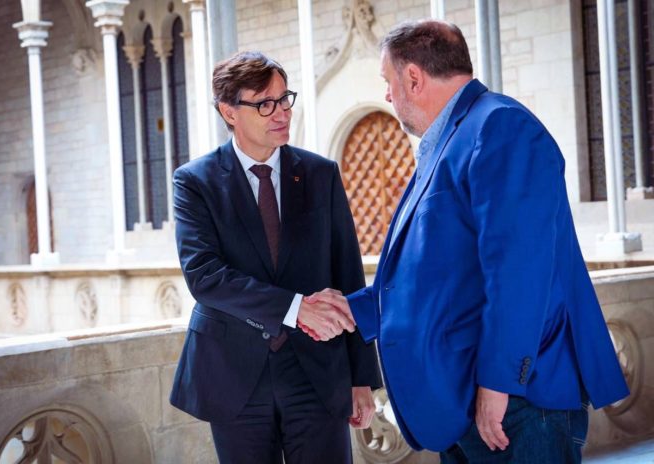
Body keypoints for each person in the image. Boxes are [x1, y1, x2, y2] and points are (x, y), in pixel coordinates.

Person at [306, 20, 629, 463]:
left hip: (517, 403)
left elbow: (519, 273)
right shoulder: (451, 139)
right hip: (464, 400)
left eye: (388, 82)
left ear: (414, 78)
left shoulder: (501, 127)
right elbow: (442, 274)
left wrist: (498, 384)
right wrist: (353, 309)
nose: (387, 96)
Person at [169, 51, 382, 464]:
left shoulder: (321, 174)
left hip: (317, 374)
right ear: (229, 111)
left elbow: (348, 276)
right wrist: (295, 307)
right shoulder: (195, 182)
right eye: (265, 103)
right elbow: (205, 276)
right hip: (235, 376)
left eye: (285, 99)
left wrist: (362, 378)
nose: (281, 112)